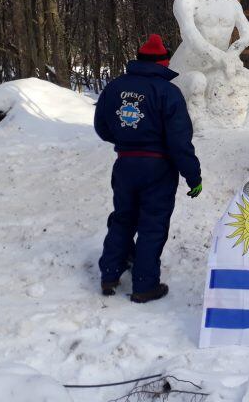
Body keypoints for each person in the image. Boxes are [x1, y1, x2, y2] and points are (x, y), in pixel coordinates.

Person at [94, 34, 202, 303]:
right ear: (163, 63)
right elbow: (179, 141)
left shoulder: (114, 87)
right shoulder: (168, 92)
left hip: (125, 164)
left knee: (123, 218)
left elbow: (102, 127)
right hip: (158, 168)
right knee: (152, 224)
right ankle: (144, 285)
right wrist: (193, 176)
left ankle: (109, 274)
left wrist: (126, 140)